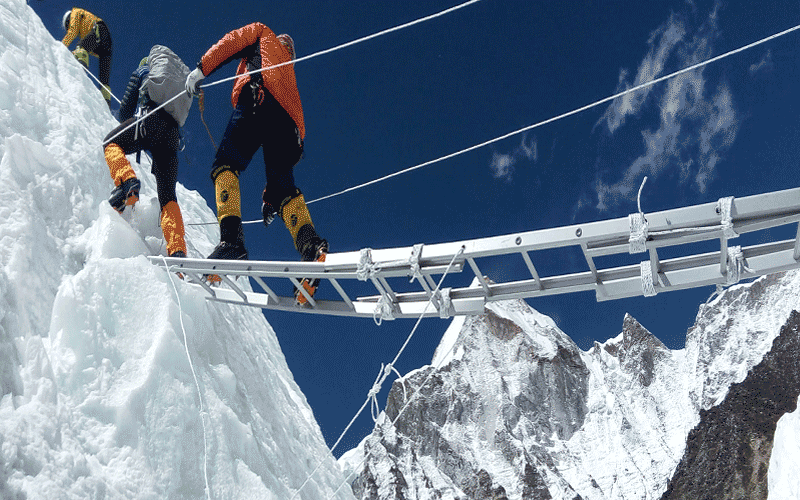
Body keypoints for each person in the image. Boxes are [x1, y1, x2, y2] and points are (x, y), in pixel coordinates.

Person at [185, 23, 328, 304]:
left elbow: (232, 42)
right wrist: (269, 196)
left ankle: (231, 242)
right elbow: (289, 148)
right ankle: (311, 247)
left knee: (224, 164)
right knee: (283, 190)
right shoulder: (290, 73)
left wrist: (201, 68)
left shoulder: (264, 35)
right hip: (290, 128)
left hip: (257, 95)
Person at [102, 48, 191, 259]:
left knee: (111, 143)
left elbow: (125, 109)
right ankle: (177, 248)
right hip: (172, 136)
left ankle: (127, 183)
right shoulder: (180, 81)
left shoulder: (144, 69)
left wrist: (127, 117)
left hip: (149, 120)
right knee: (168, 195)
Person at [61, 8, 113, 108]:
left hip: (99, 29)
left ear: (68, 20)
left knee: (80, 47)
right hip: (106, 43)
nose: (69, 27)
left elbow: (73, 31)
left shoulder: (75, 13)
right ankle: (107, 103)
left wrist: (60, 46)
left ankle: (80, 72)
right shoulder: (85, 31)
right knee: (104, 80)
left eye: (68, 26)